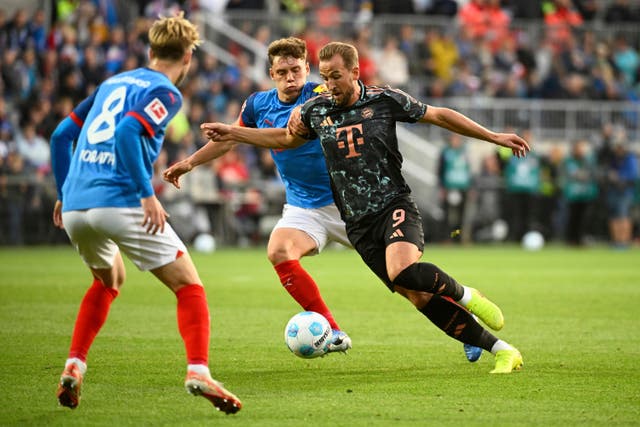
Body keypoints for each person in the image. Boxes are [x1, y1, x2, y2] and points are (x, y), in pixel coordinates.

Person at [201, 41, 529, 373]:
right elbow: (285, 140)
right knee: (416, 295)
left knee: (402, 270)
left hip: (393, 205)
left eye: (336, 77)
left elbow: (438, 115)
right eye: (326, 77)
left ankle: (468, 296)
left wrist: (493, 136)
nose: (330, 85)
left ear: (355, 73)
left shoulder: (385, 100)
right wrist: (234, 132)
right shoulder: (316, 110)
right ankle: (502, 350)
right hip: (356, 223)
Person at [49, 13, 241, 414]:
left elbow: (61, 136)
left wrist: (65, 193)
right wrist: (145, 195)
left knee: (108, 279)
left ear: (151, 51)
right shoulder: (167, 93)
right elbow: (125, 133)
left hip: (78, 208)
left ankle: (74, 365)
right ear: (188, 57)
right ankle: (198, 370)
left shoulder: (111, 83)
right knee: (190, 285)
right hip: (120, 201)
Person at [163, 37, 353, 354]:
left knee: (400, 275)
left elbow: (287, 137)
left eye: (296, 70)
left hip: (348, 203)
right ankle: (332, 330)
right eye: (282, 72)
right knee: (279, 251)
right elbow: (227, 140)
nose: (290, 77)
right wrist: (190, 162)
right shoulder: (257, 105)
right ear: (271, 73)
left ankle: (463, 326)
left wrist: (235, 131)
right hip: (304, 207)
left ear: (308, 69)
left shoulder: (319, 95)